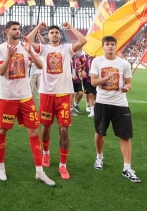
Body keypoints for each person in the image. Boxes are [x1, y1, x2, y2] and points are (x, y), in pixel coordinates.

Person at [0, 21, 55, 186]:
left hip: (26, 97)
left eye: (19, 29)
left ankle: (40, 172)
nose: (17, 31)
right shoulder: (0, 49)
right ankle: (0, 167)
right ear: (7, 31)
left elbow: (41, 65)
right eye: (14, 29)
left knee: (34, 131)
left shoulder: (25, 46)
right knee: (3, 130)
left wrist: (31, 52)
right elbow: (1, 72)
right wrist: (9, 56)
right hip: (8, 97)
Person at [27, 22, 87, 180]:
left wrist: (70, 27)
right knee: (46, 127)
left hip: (63, 94)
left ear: (60, 35)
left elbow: (83, 41)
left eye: (56, 32)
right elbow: (28, 40)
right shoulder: (43, 49)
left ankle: (63, 165)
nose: (54, 34)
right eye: (51, 32)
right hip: (46, 93)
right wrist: (38, 27)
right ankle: (46, 153)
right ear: (48, 35)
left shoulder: (67, 48)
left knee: (64, 130)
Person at [90, 35, 140, 183]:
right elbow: (93, 82)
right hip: (102, 102)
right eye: (107, 44)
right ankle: (99, 157)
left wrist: (127, 87)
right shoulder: (97, 61)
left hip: (120, 103)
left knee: (125, 136)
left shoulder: (123, 63)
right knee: (100, 132)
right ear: (103, 46)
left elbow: (129, 82)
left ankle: (127, 168)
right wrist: (106, 78)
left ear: (116, 46)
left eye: (112, 44)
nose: (110, 46)